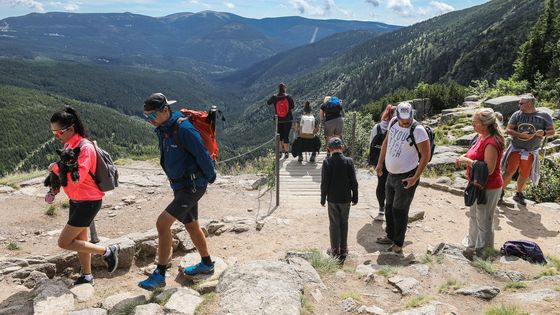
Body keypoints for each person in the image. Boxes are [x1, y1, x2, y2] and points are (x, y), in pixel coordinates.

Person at [138, 93, 217, 290]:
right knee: (191, 225)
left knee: (162, 223)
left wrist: (210, 176)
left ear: (165, 110)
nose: (149, 121)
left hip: (191, 187)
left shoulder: (184, 129)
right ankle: (206, 264)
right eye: (146, 117)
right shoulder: (163, 127)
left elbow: (202, 154)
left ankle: (160, 274)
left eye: (152, 116)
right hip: (181, 186)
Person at [48, 106, 119, 286]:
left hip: (89, 200)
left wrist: (54, 168)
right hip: (76, 199)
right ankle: (87, 275)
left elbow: (77, 178)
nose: (56, 136)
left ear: (70, 129)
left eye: (58, 132)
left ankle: (108, 251)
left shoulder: (85, 148)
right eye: (53, 133)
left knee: (64, 242)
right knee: (81, 240)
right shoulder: (69, 145)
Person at [375, 102, 430, 254]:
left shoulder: (418, 130)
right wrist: (380, 163)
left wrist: (415, 177)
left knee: (399, 210)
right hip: (390, 174)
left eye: (408, 120)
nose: (405, 123)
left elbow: (426, 155)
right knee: (388, 208)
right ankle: (390, 236)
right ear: (397, 115)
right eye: (402, 120)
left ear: (412, 114)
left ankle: (398, 244)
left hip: (407, 176)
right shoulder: (393, 122)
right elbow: (386, 142)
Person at [456, 108, 505, 260]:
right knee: (474, 215)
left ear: (485, 124)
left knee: (485, 219)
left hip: (489, 186)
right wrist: (465, 155)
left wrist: (467, 161)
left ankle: (483, 252)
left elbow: (489, 170)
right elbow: (475, 153)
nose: (472, 125)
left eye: (475, 122)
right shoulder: (481, 136)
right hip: (477, 184)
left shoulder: (491, 142)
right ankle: (471, 245)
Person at [501, 94, 555, 206]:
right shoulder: (517, 114)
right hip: (516, 148)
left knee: (525, 173)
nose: (519, 105)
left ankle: (518, 194)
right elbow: (508, 130)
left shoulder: (544, 115)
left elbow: (552, 132)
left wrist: (544, 133)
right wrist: (520, 134)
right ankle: (499, 193)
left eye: (521, 103)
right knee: (510, 171)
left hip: (531, 150)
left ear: (530, 104)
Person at [320, 137, 358, 263]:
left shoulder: (327, 162)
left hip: (332, 198)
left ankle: (335, 250)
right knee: (344, 223)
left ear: (329, 149)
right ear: (342, 147)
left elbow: (324, 183)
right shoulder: (349, 161)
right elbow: (354, 181)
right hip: (346, 198)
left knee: (334, 224)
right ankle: (344, 249)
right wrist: (355, 196)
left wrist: (323, 198)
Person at [368, 104, 393, 222]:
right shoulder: (398, 127)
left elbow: (371, 143)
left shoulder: (377, 127)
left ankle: (381, 208)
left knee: (381, 183)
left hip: (379, 159)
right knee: (393, 183)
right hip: (393, 159)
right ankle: (390, 207)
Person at [267, 83, 295, 159]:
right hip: (288, 120)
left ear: (278, 89)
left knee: (279, 137)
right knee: (286, 136)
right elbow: (293, 106)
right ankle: (286, 152)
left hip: (278, 120)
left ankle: (279, 152)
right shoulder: (288, 97)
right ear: (285, 88)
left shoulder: (275, 97)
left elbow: (268, 102)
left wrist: (274, 99)